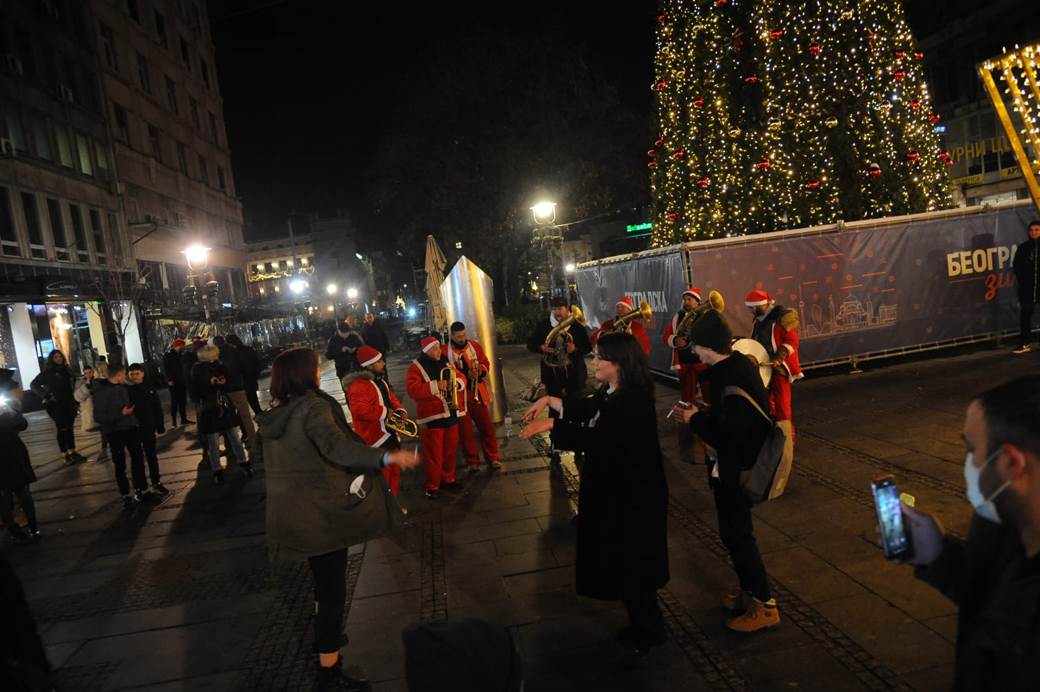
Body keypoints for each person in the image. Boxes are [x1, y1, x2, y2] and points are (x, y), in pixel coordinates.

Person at [252, 347, 420, 692]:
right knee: (332, 591)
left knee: (321, 581)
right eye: (315, 367)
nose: (319, 371)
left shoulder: (276, 413)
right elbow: (337, 447)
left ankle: (322, 637)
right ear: (304, 373)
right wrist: (386, 457)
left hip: (294, 513)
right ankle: (329, 667)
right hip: (321, 515)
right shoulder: (312, 408)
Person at [520, 332, 669, 658]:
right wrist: (549, 401)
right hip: (616, 494)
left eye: (600, 357)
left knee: (634, 565)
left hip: (633, 499)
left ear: (619, 364)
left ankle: (650, 631)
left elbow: (603, 440)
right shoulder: (613, 390)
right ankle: (642, 624)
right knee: (624, 563)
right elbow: (587, 408)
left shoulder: (634, 402)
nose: (593, 361)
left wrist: (551, 427)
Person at [897, 375, 1040, 689]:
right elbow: (991, 600)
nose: (967, 464)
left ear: (1011, 464)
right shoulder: (1007, 528)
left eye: (972, 450)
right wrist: (939, 555)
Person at [673, 309, 779, 633]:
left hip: (737, 471)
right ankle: (750, 592)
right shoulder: (732, 368)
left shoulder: (728, 377)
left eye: (696, 346)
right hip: (733, 467)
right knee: (734, 534)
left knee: (738, 536)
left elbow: (726, 435)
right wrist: (704, 412)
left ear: (708, 346)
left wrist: (695, 420)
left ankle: (765, 604)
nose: (693, 351)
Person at [407, 337, 466, 499]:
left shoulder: (445, 361)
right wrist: (435, 385)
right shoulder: (416, 367)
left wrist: (459, 382)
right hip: (433, 416)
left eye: (439, 348)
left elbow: (460, 375)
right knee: (434, 454)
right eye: (435, 349)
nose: (439, 351)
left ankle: (449, 478)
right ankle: (432, 485)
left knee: (450, 449)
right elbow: (413, 390)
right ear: (426, 351)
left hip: (451, 412)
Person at [344, 345, 407, 497]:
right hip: (375, 439)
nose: (383, 363)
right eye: (379, 361)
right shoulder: (358, 386)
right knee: (383, 479)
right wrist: (386, 412)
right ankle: (386, 511)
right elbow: (360, 411)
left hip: (388, 434)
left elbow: (390, 398)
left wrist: (400, 411)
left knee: (394, 472)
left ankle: (393, 505)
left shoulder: (380, 381)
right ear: (370, 365)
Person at [746, 289, 803, 444]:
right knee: (766, 402)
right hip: (764, 367)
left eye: (753, 307)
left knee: (782, 405)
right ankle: (773, 436)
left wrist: (779, 357)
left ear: (762, 305)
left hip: (779, 368)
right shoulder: (758, 320)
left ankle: (787, 440)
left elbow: (792, 342)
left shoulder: (782, 318)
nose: (751, 311)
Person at [92, 362, 150, 510]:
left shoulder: (122, 386)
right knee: (120, 464)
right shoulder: (101, 391)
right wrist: (120, 414)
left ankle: (141, 489)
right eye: (124, 374)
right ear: (118, 375)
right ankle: (125, 494)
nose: (125, 377)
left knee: (137, 458)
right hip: (115, 431)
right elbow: (99, 416)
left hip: (130, 427)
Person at [447, 322, 502, 472]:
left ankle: (493, 458)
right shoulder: (446, 352)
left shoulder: (474, 346)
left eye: (464, 335)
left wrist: (481, 372)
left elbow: (485, 362)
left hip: (476, 393)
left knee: (487, 427)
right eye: (458, 336)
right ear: (451, 335)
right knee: (465, 433)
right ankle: (472, 462)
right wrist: (465, 375)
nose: (462, 339)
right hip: (460, 397)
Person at [191, 344, 250, 484]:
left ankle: (244, 462)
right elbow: (196, 390)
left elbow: (227, 382)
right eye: (214, 354)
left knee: (235, 438)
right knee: (213, 443)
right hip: (210, 408)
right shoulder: (197, 369)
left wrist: (222, 382)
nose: (216, 356)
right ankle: (216, 470)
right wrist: (209, 382)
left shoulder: (221, 366)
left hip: (224, 406)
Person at [526, 297, 592, 414]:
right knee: (554, 407)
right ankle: (556, 429)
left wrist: (575, 349)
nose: (557, 312)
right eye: (554, 309)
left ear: (567, 309)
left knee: (574, 404)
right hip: (552, 373)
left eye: (560, 309)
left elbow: (588, 347)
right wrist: (541, 347)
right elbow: (531, 343)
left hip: (574, 372)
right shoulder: (544, 325)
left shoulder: (577, 326)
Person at [0, 372, 39, 544]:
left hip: (14, 455)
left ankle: (33, 527)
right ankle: (13, 528)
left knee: (24, 494)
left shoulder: (8, 407)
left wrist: (8, 412)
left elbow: (22, 425)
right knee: (5, 498)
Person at [30, 349, 84, 465]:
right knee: (62, 428)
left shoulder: (67, 370)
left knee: (69, 428)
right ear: (51, 359)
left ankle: (72, 452)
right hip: (55, 405)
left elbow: (74, 383)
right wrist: (46, 395)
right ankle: (64, 455)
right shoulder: (47, 372)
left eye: (60, 356)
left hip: (69, 403)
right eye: (55, 357)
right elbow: (33, 385)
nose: (58, 359)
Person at [127, 364, 168, 497]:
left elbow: (157, 407)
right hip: (134, 428)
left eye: (137, 373)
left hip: (148, 426)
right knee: (136, 458)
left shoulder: (149, 387)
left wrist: (160, 425)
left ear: (142, 374)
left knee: (151, 456)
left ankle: (156, 482)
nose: (134, 376)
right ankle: (139, 487)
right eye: (132, 374)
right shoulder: (127, 389)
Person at [662, 287, 708, 404]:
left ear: (697, 301)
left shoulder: (706, 316)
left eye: (689, 299)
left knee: (708, 392)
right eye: (685, 299)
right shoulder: (678, 317)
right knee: (687, 395)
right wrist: (675, 340)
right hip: (684, 362)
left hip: (702, 362)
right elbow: (666, 336)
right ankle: (687, 415)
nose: (686, 302)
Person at [213, 335, 256, 444]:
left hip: (225, 389)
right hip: (238, 387)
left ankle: (231, 442)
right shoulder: (234, 352)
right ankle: (252, 438)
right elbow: (243, 368)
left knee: (228, 417)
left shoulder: (215, 356)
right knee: (245, 416)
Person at [1012, 219, 1040, 354]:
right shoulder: (1023, 248)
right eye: (1031, 230)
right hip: (1027, 290)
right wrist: (1024, 282)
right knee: (1025, 317)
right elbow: (1016, 266)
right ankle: (1024, 344)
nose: (1034, 232)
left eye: (1036, 230)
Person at [226, 334, 263, 415]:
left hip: (239, 384)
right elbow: (257, 363)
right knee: (255, 405)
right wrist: (255, 376)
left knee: (242, 411)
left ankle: (247, 426)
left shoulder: (231, 353)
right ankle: (263, 421)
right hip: (250, 381)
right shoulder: (248, 349)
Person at [163, 338, 192, 427]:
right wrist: (169, 379)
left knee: (183, 401)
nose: (183, 347)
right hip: (173, 382)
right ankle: (174, 422)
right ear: (177, 346)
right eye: (182, 345)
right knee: (175, 402)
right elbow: (165, 369)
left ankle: (183, 419)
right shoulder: (168, 355)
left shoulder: (181, 355)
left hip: (182, 381)